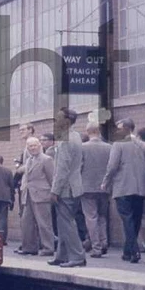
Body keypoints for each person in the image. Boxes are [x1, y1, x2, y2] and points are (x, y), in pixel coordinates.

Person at [102, 118, 145, 263]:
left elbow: (112, 166)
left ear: (126, 129)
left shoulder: (118, 144)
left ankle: (134, 251)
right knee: (135, 220)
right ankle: (128, 251)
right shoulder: (144, 145)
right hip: (141, 188)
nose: (116, 131)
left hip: (123, 187)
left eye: (119, 128)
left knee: (127, 220)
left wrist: (105, 182)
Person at [48, 108, 87, 268]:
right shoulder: (76, 136)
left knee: (67, 223)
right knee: (63, 222)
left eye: (58, 118)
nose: (55, 121)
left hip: (66, 188)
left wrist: (55, 190)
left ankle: (77, 256)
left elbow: (62, 169)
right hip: (75, 185)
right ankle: (62, 255)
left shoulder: (65, 140)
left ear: (67, 121)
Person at [17, 136, 56, 256]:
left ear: (39, 146)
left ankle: (48, 248)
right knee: (26, 222)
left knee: (44, 223)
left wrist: (53, 193)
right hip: (28, 195)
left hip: (42, 195)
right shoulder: (29, 160)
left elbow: (52, 178)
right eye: (30, 146)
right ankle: (29, 247)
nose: (32, 148)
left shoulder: (46, 159)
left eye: (34, 145)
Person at [80, 123, 112, 257]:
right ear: (99, 131)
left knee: (91, 217)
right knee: (102, 216)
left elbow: (79, 167)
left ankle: (96, 247)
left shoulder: (82, 148)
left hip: (87, 187)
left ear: (87, 132)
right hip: (104, 187)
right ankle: (104, 243)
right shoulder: (109, 147)